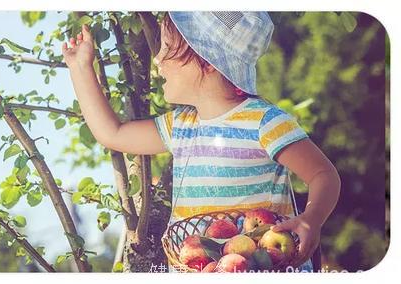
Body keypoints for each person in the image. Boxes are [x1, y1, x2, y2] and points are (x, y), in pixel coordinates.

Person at [61, 11, 340, 272]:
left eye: (167, 48)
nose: (157, 59)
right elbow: (113, 134)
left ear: (206, 61)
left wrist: (310, 219)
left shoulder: (263, 122)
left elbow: (323, 174)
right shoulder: (181, 125)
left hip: (263, 265)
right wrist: (80, 68)